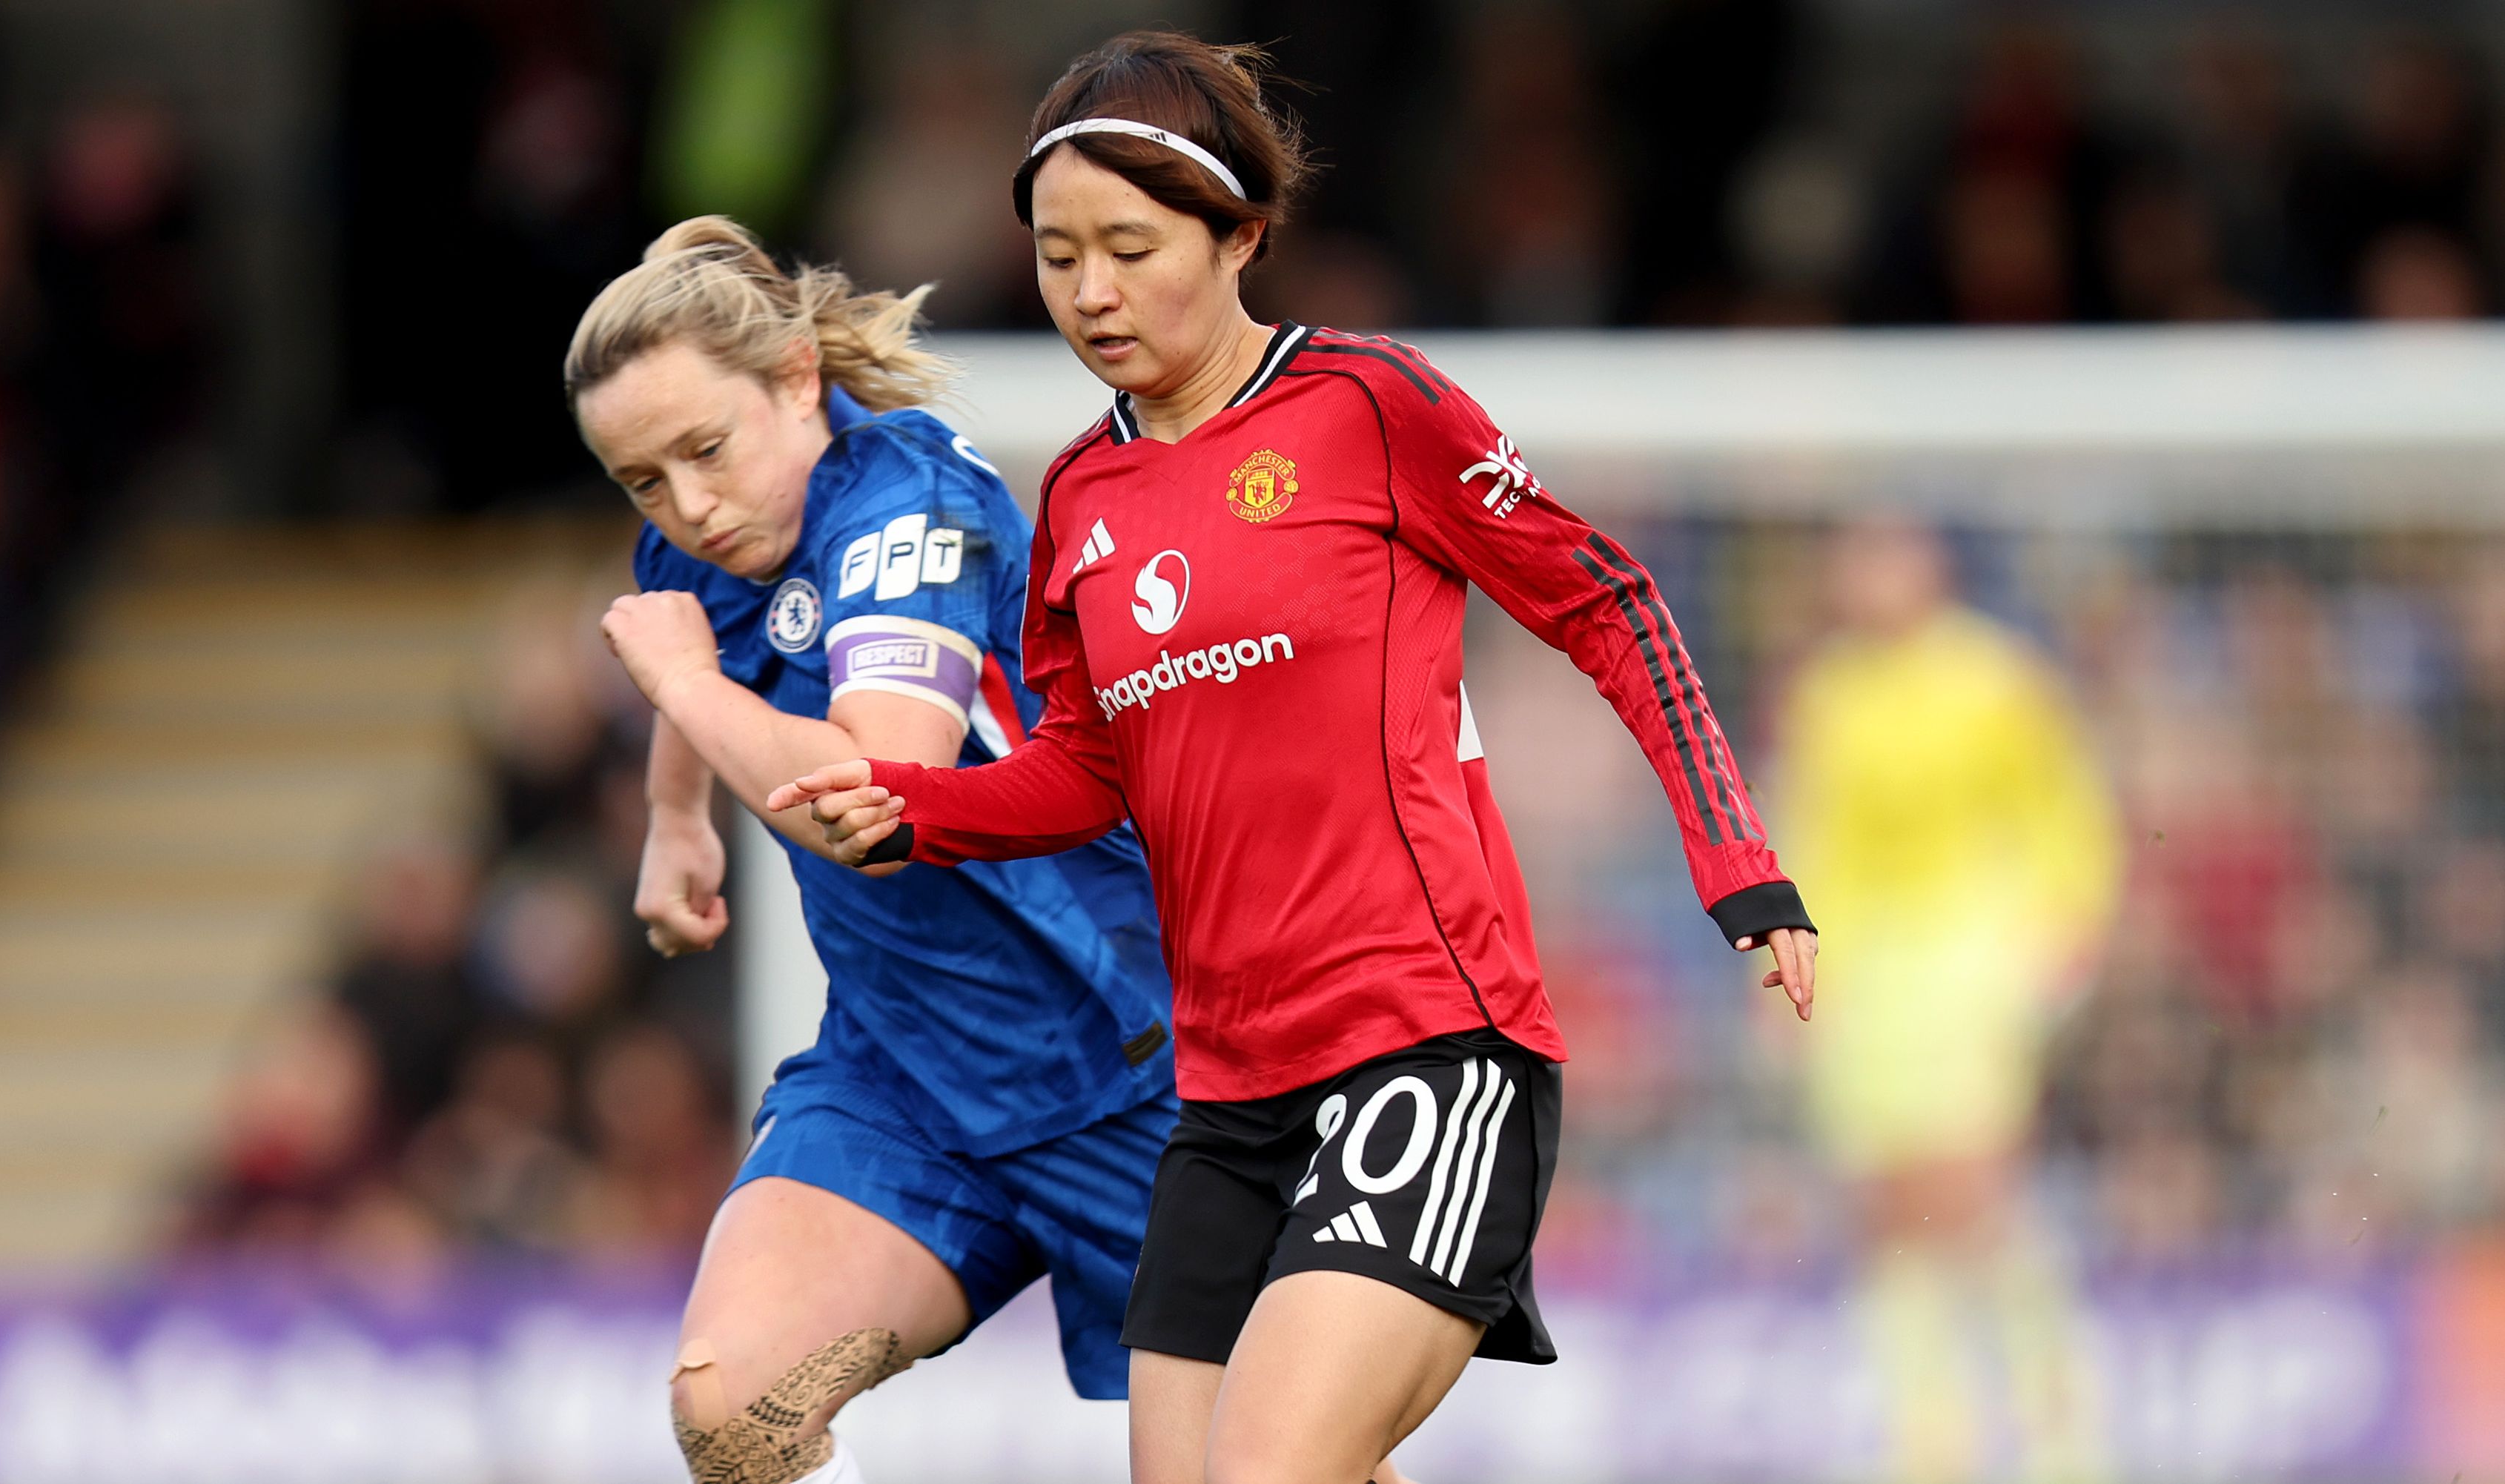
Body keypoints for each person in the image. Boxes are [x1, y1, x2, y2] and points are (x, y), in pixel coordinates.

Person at [772, 33, 1820, 1484]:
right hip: (1229, 1106)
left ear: (1242, 233)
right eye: (1059, 253)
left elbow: (1609, 598)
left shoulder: (1368, 408)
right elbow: (1086, 774)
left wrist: (1741, 865)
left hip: (1429, 1055)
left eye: (1131, 247)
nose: (1090, 291)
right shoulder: (1081, 492)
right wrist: (911, 810)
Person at [565, 216, 1179, 1484]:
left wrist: (683, 692)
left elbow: (876, 805)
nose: (684, 506)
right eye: (642, 482)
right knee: (738, 1413)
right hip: (904, 1080)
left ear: (798, 378)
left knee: (1266, 1470)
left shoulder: (912, 504)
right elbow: (696, 625)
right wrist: (678, 819)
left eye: (703, 451)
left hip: (1132, 1067)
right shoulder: (712, 526)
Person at [1776, 520, 2121, 1484]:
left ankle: (2061, 1426)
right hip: (1864, 969)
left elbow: (2065, 809)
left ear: (1930, 566)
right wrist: (1791, 965)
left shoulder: (1995, 679)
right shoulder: (1826, 695)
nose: (1868, 577)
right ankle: (1928, 1438)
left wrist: (2066, 932)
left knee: (1971, 1191)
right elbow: (1815, 835)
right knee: (1884, 1203)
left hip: (1975, 949)